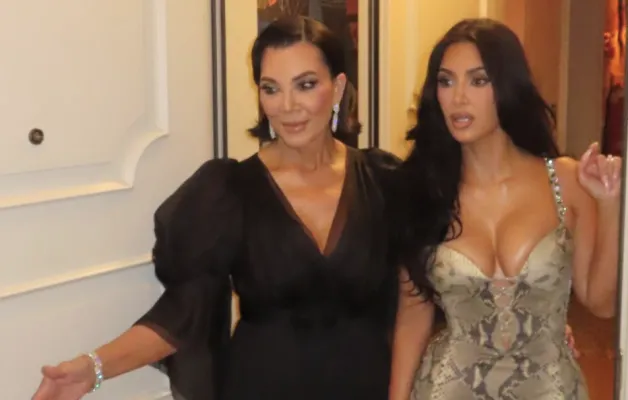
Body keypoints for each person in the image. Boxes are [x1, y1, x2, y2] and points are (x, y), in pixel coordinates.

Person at [31, 16, 405, 400]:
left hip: (368, 386)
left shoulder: (384, 180)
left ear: (338, 87)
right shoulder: (229, 191)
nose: (288, 106)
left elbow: (415, 300)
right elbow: (185, 313)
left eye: (305, 85)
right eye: (271, 88)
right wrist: (92, 368)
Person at [389, 19, 621, 400]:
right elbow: (412, 315)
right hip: (448, 389)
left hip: (549, 389)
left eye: (478, 80)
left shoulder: (564, 180)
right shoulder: (423, 192)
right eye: (446, 81)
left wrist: (610, 203)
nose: (458, 98)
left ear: (507, 86)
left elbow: (601, 301)